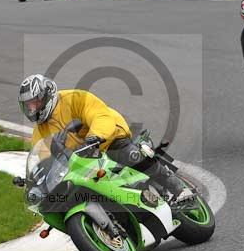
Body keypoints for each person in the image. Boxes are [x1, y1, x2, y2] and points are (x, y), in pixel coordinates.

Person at [17, 74, 193, 205]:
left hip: (109, 140)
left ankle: (179, 189)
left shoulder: (75, 98)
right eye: (28, 106)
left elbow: (100, 116)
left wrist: (94, 137)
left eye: (35, 103)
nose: (32, 110)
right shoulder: (39, 132)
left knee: (131, 155)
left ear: (47, 94)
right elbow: (44, 160)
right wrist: (36, 182)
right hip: (81, 163)